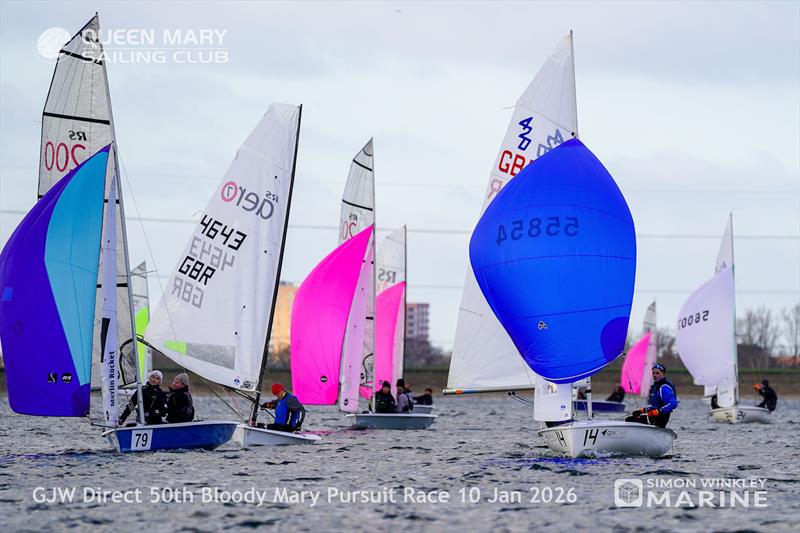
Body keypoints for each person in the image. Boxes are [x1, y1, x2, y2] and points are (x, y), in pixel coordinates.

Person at [625, 363, 679, 428]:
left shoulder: (664, 387)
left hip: (659, 420)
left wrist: (659, 411)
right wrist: (643, 410)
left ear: (663, 374)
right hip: (654, 419)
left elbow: (673, 403)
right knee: (632, 417)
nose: (655, 375)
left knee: (629, 420)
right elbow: (656, 406)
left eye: (657, 373)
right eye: (653, 373)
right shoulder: (657, 387)